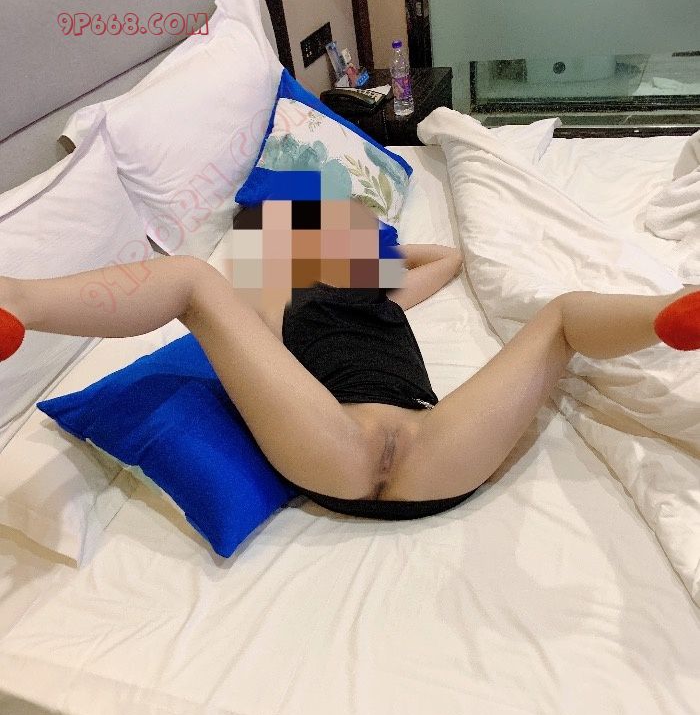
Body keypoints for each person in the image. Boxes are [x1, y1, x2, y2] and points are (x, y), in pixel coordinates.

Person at [1, 196, 698, 522]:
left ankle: (676, 310)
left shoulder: (386, 294)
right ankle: (17, 302)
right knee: (191, 278)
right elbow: (256, 328)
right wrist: (295, 245)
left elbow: (447, 258)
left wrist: (373, 253)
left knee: (565, 315)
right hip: (334, 437)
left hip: (431, 443)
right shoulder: (279, 294)